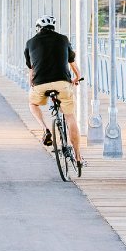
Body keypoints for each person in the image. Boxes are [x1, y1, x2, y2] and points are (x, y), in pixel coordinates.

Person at [24, 15, 84, 169]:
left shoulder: (30, 42)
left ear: (38, 28)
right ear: (53, 28)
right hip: (62, 83)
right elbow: (72, 63)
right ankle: (78, 157)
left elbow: (31, 70)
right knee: (70, 116)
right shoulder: (63, 40)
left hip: (40, 83)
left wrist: (32, 83)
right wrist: (77, 77)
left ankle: (45, 128)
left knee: (33, 103)